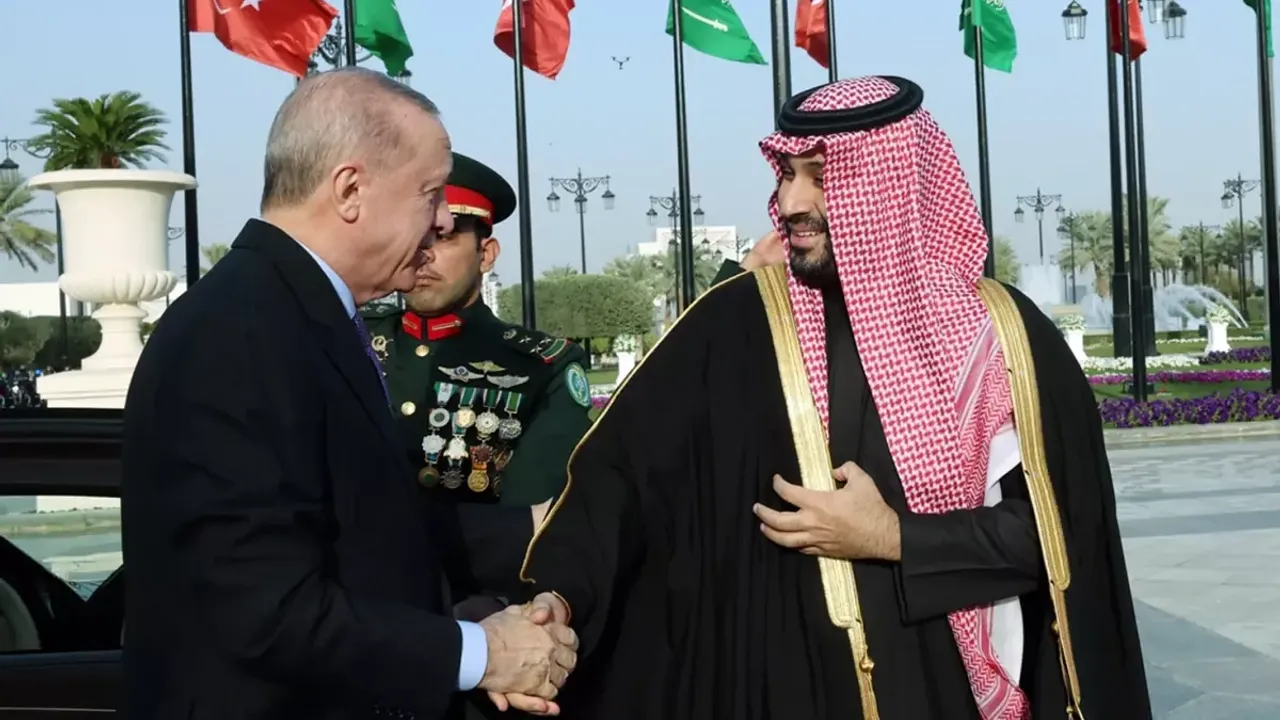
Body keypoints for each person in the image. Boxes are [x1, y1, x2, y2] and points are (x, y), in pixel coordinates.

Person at [507, 76, 1151, 720]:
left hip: (938, 693)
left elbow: (1060, 538)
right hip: (769, 688)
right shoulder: (731, 326)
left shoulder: (1001, 339)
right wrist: (559, 599)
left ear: (888, 183)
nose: (791, 202)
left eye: (820, 176)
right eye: (787, 174)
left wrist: (896, 538)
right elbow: (616, 484)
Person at [121, 67, 576, 720]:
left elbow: (362, 527)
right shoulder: (238, 334)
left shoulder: (289, 314)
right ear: (350, 190)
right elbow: (264, 611)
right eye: (429, 194)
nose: (441, 219)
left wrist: (537, 532)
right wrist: (482, 653)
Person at [360, 152, 591, 620]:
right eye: (415, 234)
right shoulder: (347, 339)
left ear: (486, 254)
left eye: (443, 237)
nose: (423, 253)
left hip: (474, 616)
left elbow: (536, 526)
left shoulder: (541, 366)